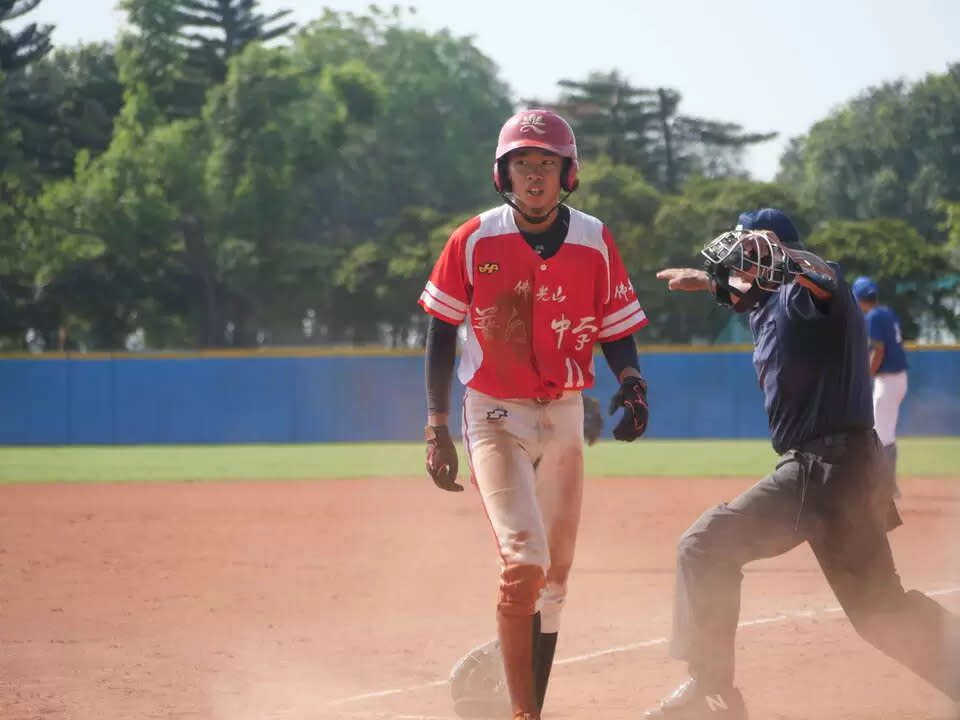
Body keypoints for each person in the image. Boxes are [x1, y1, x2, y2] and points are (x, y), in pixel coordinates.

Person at [647, 208, 960, 719]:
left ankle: (712, 693)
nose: (739, 262)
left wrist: (786, 254)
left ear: (774, 254)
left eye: (749, 250)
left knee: (705, 545)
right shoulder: (767, 306)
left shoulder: (811, 292)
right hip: (842, 472)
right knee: (880, 613)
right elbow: (744, 292)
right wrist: (708, 280)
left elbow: (823, 278)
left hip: (825, 468)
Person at [419, 108, 650, 720]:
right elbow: (442, 331)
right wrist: (437, 425)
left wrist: (632, 384)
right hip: (495, 411)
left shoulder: (595, 240)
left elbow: (615, 326)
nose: (535, 176)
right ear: (504, 173)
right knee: (524, 562)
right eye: (523, 163)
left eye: (547, 163)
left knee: (555, 581)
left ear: (566, 172)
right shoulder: (472, 239)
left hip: (565, 412)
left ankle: (532, 708)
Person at [852, 275, 909, 498]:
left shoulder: (873, 317)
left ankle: (885, 486)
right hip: (898, 378)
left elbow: (878, 351)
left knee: (881, 433)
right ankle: (888, 484)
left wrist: (865, 377)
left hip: (887, 380)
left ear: (858, 299)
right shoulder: (886, 312)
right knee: (886, 432)